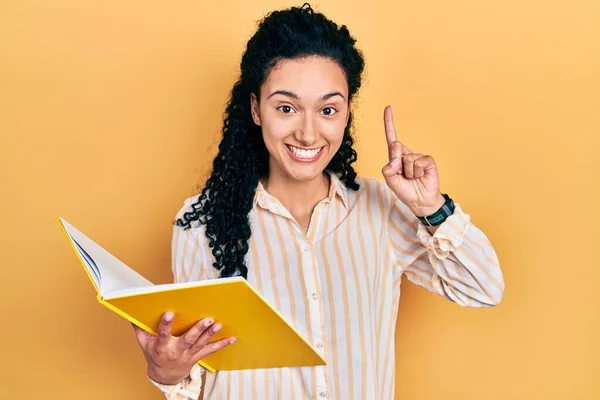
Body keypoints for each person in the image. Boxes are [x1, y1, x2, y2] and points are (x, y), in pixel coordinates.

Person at [132, 3, 505, 399]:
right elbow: (199, 376)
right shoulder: (201, 222)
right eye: (287, 108)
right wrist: (168, 372)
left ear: (346, 114)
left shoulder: (382, 208)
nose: (309, 134)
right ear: (257, 109)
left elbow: (483, 287)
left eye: (327, 109)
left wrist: (433, 209)